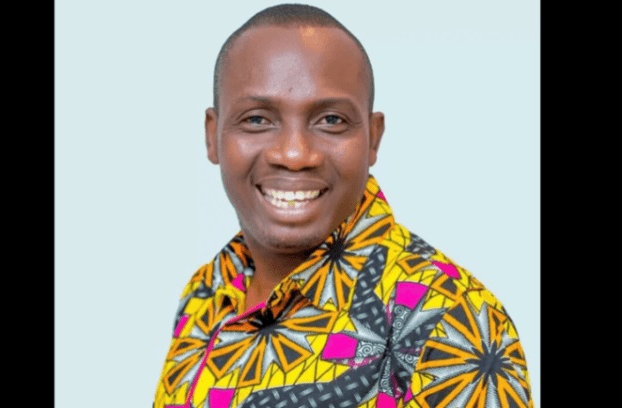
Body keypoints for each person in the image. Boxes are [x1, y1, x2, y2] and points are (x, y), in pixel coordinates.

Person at [153, 3, 534, 407]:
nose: (294, 154)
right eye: (257, 119)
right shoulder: (205, 291)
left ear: (373, 138)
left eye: (331, 120)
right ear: (212, 136)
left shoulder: (450, 319)